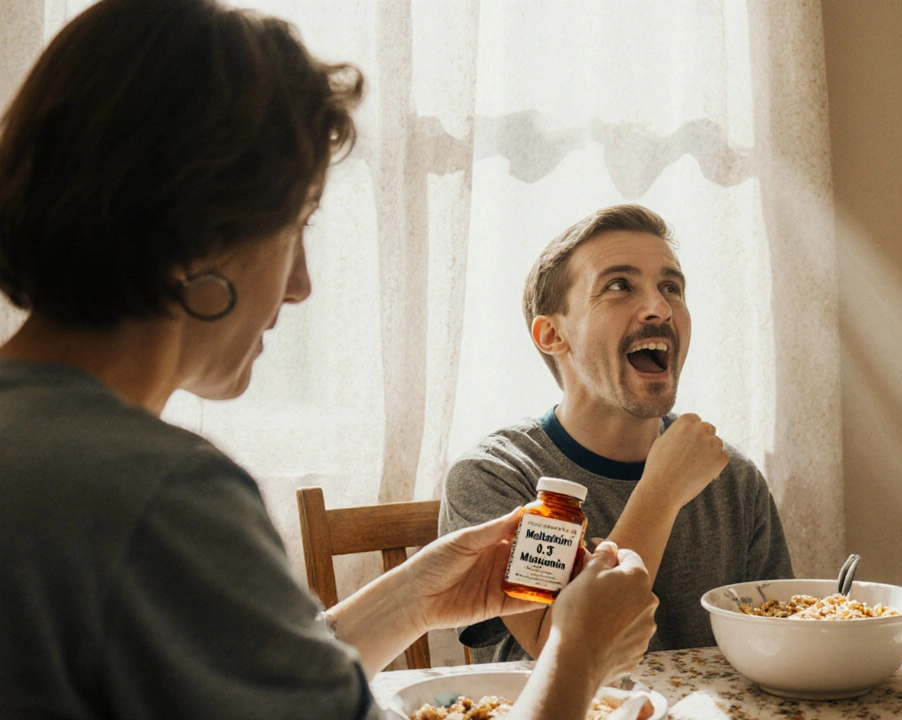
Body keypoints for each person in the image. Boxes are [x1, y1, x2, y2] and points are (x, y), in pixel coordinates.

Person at [0, 2, 657, 719]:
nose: (301, 283)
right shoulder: (161, 497)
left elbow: (245, 685)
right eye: (296, 225)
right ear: (203, 224)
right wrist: (578, 650)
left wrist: (412, 600)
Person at [440, 204, 794, 663]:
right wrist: (662, 492)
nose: (660, 308)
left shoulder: (733, 478)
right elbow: (562, 652)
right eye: (619, 286)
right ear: (551, 335)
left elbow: (780, 641)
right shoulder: (495, 478)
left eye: (671, 287)